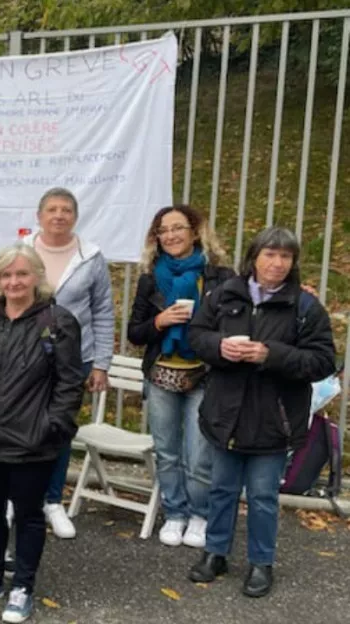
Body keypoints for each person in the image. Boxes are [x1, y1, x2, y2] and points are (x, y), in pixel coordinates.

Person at [186, 227, 336, 598]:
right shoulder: (224, 295)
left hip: (275, 416)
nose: (278, 263)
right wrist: (221, 346)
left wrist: (271, 354)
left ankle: (260, 563)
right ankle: (215, 552)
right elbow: (196, 336)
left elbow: (322, 362)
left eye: (285, 256)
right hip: (226, 412)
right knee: (220, 489)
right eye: (270, 254)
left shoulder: (305, 307)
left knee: (263, 495)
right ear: (254, 258)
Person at [0, 243, 83, 624]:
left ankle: (23, 584)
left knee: (28, 516)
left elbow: (69, 385)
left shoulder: (58, 321)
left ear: (37, 277)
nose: (14, 282)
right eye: (6, 275)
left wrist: (51, 426)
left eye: (22, 274)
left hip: (32, 441)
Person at [127, 205, 234, 548]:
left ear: (195, 232)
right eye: (163, 230)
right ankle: (175, 513)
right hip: (161, 375)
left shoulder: (220, 276)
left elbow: (233, 324)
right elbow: (135, 332)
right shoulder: (150, 277)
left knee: (199, 454)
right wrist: (160, 323)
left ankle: (200, 516)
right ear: (156, 238)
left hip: (204, 375)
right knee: (167, 452)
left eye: (178, 228)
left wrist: (199, 317)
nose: (171, 235)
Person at [19, 187, 114, 539]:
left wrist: (101, 363)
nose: (58, 215)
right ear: (39, 215)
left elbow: (103, 311)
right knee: (23, 425)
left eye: (66, 210)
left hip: (76, 358)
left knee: (59, 429)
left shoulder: (91, 256)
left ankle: (53, 501)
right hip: (25, 356)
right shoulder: (22, 252)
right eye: (52, 209)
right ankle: (19, 498)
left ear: (75, 216)